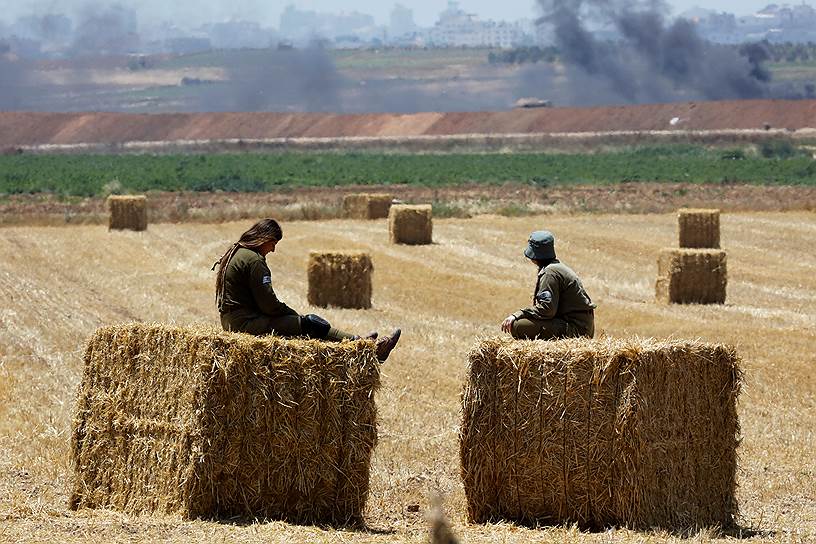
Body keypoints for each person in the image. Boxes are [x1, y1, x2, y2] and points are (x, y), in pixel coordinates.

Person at [213, 218, 401, 361]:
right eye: (273, 244)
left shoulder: (237, 252)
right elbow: (268, 305)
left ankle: (358, 343)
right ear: (265, 239)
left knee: (302, 324)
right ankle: (363, 347)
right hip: (246, 324)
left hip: (233, 321)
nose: (273, 250)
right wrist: (295, 317)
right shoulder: (254, 261)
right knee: (311, 324)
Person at [501, 230, 595, 340]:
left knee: (518, 326)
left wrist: (518, 314)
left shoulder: (550, 273)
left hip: (576, 331)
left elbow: (547, 310)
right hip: (582, 326)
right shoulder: (556, 267)